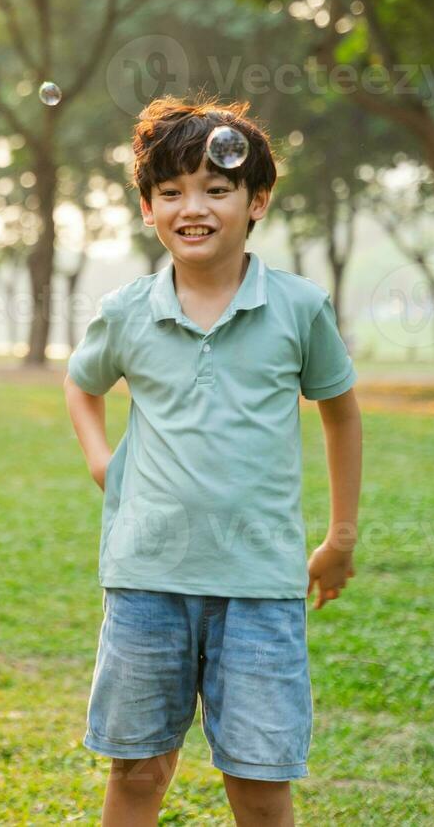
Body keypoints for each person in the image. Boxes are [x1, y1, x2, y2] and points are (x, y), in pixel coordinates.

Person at [64, 98, 363, 826]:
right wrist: (102, 460)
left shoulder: (297, 307)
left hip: (259, 585)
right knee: (136, 771)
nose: (191, 207)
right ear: (146, 207)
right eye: (170, 191)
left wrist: (339, 539)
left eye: (215, 189)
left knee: (259, 786)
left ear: (255, 201)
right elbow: (81, 384)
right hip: (145, 579)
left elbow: (340, 414)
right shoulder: (128, 311)